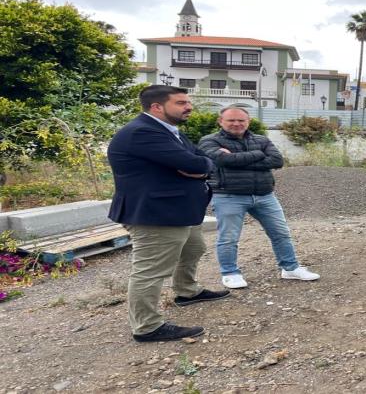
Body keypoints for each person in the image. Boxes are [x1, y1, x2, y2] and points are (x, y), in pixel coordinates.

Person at [107, 85, 230, 343]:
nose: (189, 106)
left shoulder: (168, 131)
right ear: (156, 107)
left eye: (188, 102)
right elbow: (193, 163)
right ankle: (147, 327)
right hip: (155, 214)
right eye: (181, 102)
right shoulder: (143, 132)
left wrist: (201, 167)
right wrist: (200, 166)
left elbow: (201, 158)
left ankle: (187, 291)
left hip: (178, 210)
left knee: (193, 249)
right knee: (151, 270)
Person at [198, 106, 320, 289]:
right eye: (231, 120)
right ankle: (230, 273)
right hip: (229, 196)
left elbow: (277, 161)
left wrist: (237, 161)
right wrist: (257, 155)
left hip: (264, 195)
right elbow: (223, 161)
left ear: (248, 122)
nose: (237, 124)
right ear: (220, 121)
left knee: (280, 233)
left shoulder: (261, 139)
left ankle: (290, 268)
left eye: (241, 120)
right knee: (229, 238)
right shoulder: (209, 141)